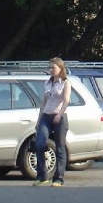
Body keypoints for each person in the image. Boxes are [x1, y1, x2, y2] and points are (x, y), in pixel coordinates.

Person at [33, 57, 71, 187]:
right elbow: (44, 102)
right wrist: (39, 120)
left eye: (53, 67)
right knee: (39, 144)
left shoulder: (65, 82)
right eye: (49, 67)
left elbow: (66, 100)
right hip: (46, 115)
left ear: (60, 68)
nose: (50, 70)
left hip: (59, 116)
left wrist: (59, 115)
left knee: (60, 147)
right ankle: (42, 176)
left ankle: (58, 178)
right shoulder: (47, 83)